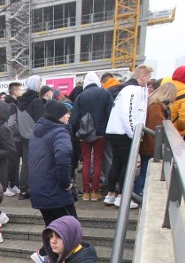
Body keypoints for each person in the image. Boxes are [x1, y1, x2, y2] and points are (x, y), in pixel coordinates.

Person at [28, 100, 78, 263]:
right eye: (66, 113)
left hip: (40, 188)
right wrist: (66, 182)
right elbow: (63, 156)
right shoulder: (59, 132)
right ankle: (47, 256)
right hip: (54, 189)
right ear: (58, 116)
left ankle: (48, 256)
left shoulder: (37, 132)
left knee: (54, 227)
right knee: (71, 227)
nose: (69, 115)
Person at [103, 70, 148, 208]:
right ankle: (121, 196)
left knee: (117, 163)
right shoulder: (132, 90)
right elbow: (127, 113)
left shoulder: (125, 90)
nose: (149, 80)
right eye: (148, 77)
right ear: (143, 76)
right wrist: (133, 133)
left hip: (115, 131)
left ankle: (111, 194)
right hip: (124, 132)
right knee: (126, 164)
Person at [70, 71, 114, 201]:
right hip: (100, 132)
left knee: (86, 160)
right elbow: (111, 113)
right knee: (98, 160)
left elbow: (74, 119)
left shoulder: (80, 96)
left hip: (84, 134)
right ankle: (95, 191)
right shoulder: (105, 93)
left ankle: (85, 192)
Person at [136, 82, 177, 197]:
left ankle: (136, 195)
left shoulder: (152, 103)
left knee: (145, 171)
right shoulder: (157, 107)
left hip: (147, 144)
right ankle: (136, 195)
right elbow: (157, 126)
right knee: (146, 172)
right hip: (151, 145)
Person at [16, 75, 47, 200]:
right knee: (37, 162)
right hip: (36, 136)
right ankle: (35, 187)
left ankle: (23, 189)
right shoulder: (36, 101)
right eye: (39, 84)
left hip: (24, 135)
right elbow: (41, 120)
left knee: (26, 163)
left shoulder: (20, 101)